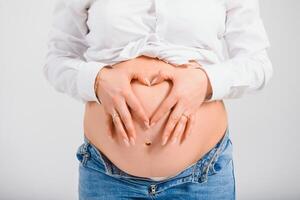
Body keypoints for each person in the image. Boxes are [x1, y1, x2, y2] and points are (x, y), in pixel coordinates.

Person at [43, 0, 273, 199]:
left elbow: (257, 65)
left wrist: (205, 81)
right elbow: (57, 59)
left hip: (203, 175)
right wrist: (97, 80)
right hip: (106, 176)